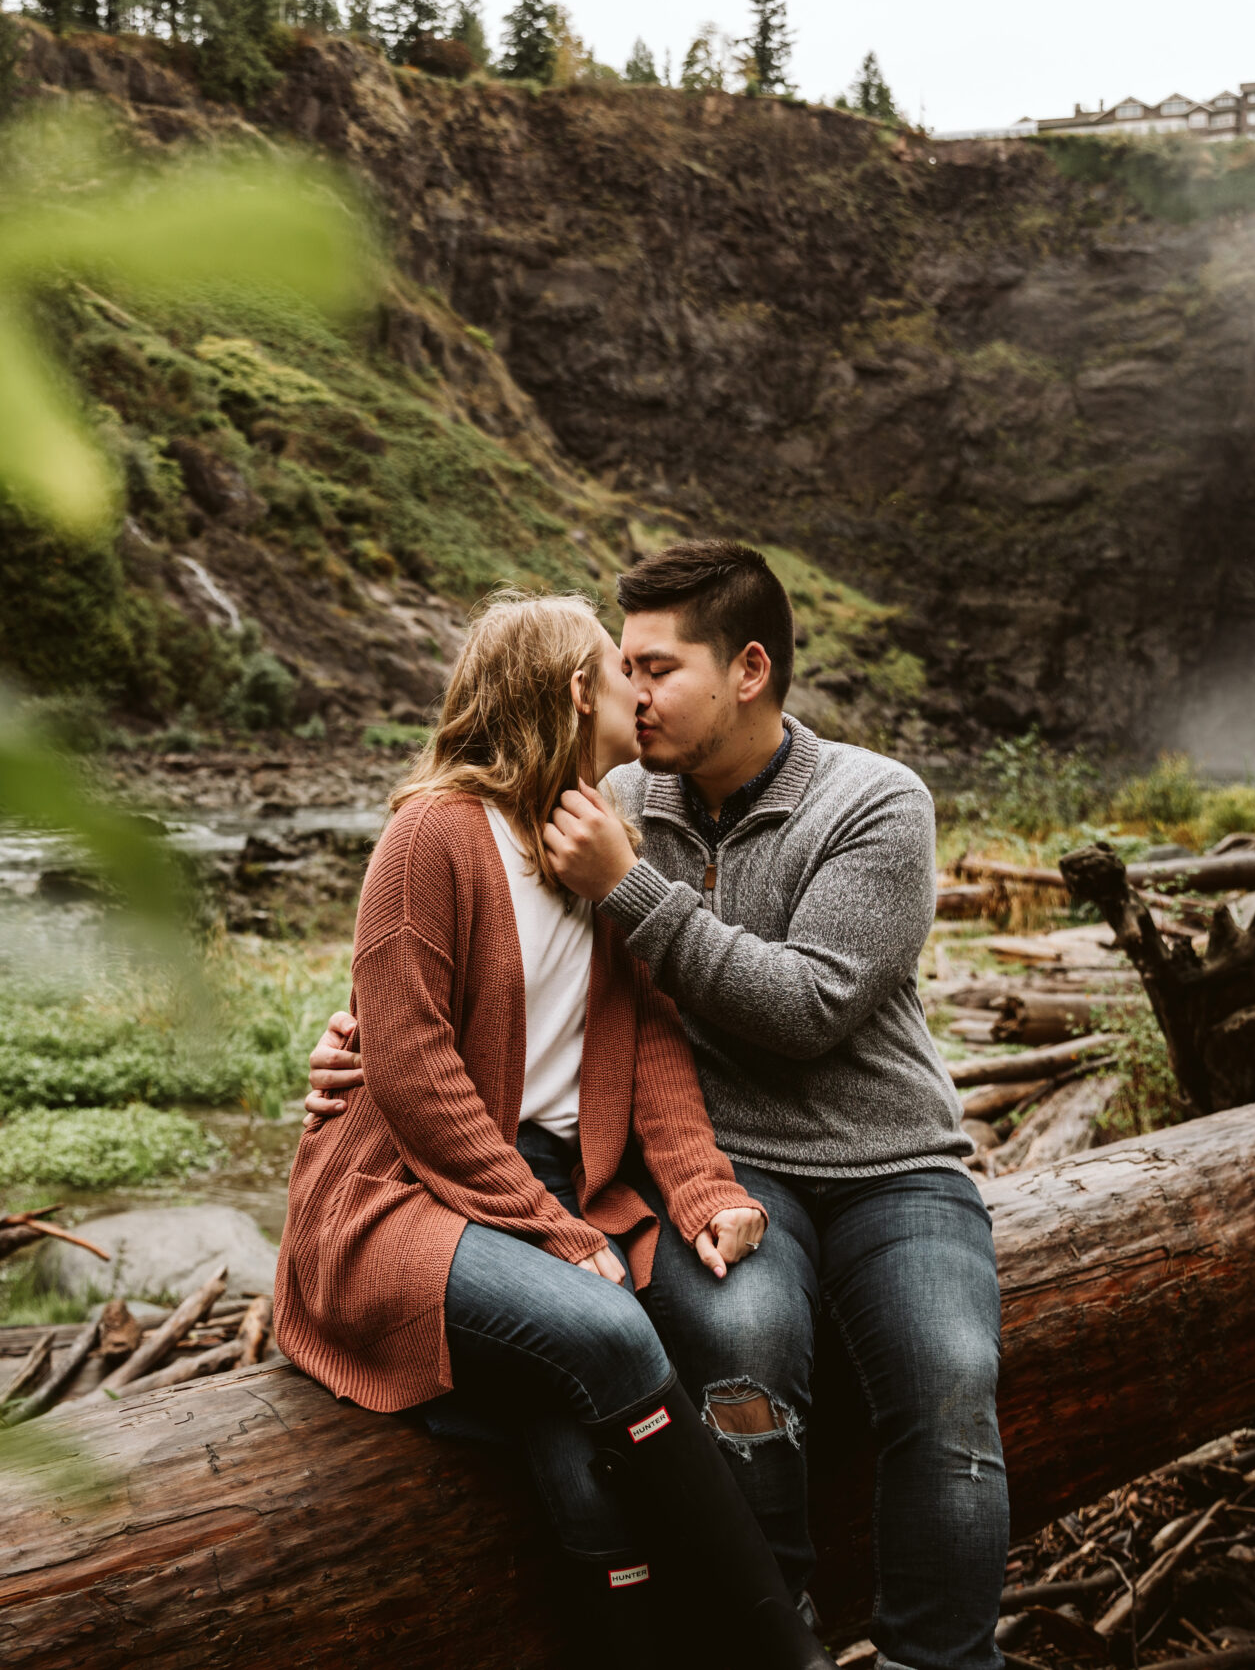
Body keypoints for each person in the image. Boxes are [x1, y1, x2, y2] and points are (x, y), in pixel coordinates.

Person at [308, 544, 1006, 1670]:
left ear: (747, 671)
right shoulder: (599, 801)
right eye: (618, 667)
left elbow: (805, 1008)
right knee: (736, 1351)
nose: (633, 692)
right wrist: (357, 1035)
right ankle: (766, 1635)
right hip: (709, 1168)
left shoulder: (871, 800)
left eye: (656, 667)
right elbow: (467, 977)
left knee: (951, 1383)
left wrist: (630, 886)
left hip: (887, 1163)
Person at [274, 589, 841, 1670]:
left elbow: (654, 1047)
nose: (638, 686)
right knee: (612, 1332)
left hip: (540, 1186)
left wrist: (705, 1189)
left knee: (589, 1448)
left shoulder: (599, 844)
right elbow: (411, 1068)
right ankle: (785, 1653)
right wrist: (553, 1231)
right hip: (397, 1198)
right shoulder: (429, 834)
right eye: (616, 669)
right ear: (578, 690)